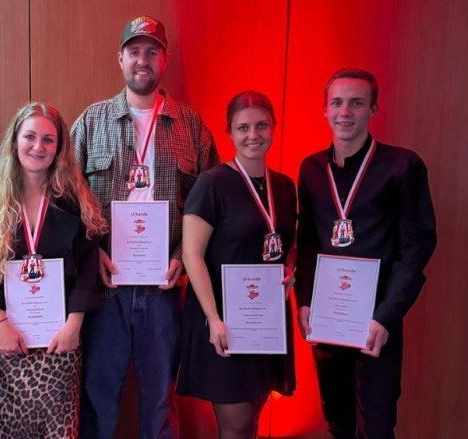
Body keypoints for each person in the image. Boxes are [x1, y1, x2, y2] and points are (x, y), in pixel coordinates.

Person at [71, 15, 220, 439]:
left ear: (164, 60)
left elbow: (211, 206)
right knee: (98, 398)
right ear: (120, 59)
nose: (142, 60)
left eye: (152, 52)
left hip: (164, 290)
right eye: (134, 51)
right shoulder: (90, 122)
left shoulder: (191, 125)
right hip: (105, 287)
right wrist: (91, 253)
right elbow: (65, 201)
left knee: (159, 402)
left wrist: (183, 258)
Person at [296, 68, 437, 438]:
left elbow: (417, 247)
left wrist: (387, 316)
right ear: (325, 110)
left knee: (376, 426)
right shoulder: (311, 169)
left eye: (356, 103)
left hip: (376, 321)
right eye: (337, 103)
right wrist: (305, 301)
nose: (345, 112)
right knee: (337, 422)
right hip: (329, 316)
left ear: (374, 108)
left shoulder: (403, 166)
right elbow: (307, 240)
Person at [0, 102, 106, 438]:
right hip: (5, 336)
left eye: (48, 139)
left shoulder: (76, 200)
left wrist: (74, 326)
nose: (38, 146)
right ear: (15, 141)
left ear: (59, 147)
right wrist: (0, 324)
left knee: (59, 428)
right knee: (4, 427)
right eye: (30, 136)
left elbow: (88, 268)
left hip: (61, 338)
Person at [177, 91, 297, 439]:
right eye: (243, 128)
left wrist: (291, 268)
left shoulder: (284, 186)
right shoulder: (212, 183)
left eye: (261, 125)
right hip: (224, 321)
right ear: (229, 132)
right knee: (236, 425)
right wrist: (214, 318)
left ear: (273, 127)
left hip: (265, 319)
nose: (253, 135)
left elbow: (287, 245)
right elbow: (192, 255)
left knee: (252, 419)